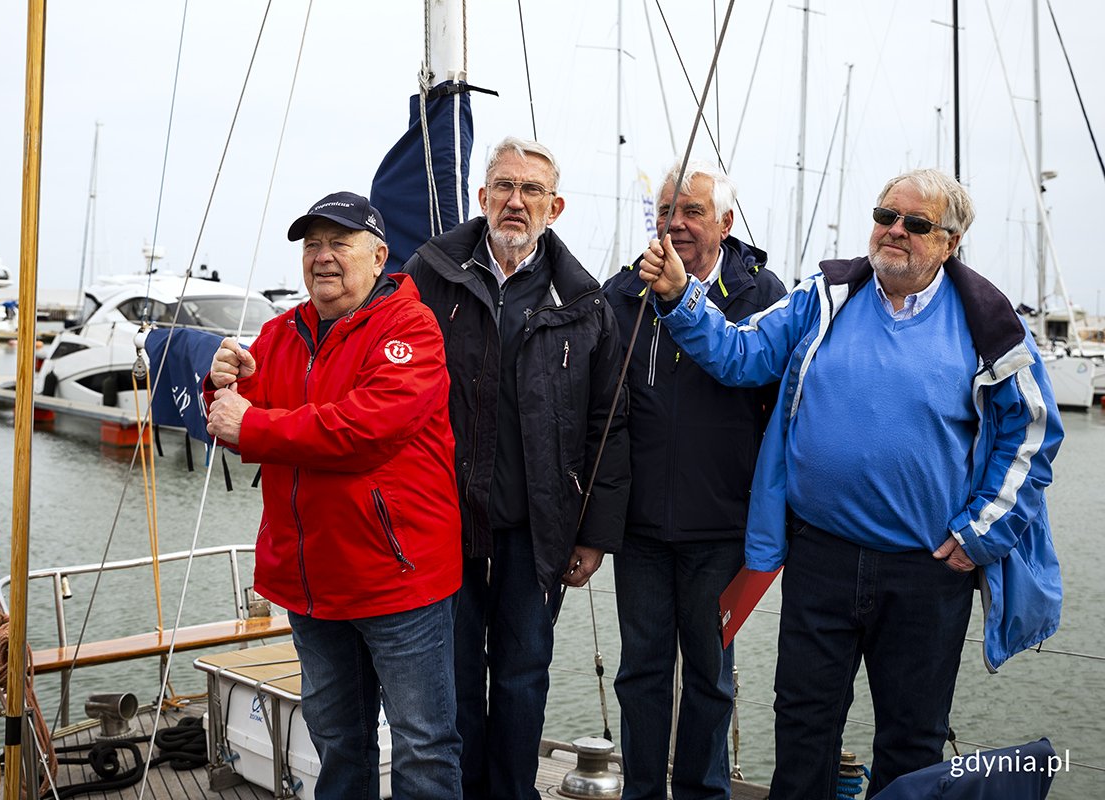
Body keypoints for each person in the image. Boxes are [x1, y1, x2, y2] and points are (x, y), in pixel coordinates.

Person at [637, 168, 1063, 798]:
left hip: (928, 572)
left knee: (912, 745)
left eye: (915, 224)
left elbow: (1031, 435)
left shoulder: (990, 324)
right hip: (821, 559)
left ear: (949, 242)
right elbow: (742, 354)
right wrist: (679, 297)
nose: (894, 231)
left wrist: (982, 535)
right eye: (885, 215)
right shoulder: (825, 295)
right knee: (802, 734)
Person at [204, 191, 464, 799]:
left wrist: (253, 424)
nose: (322, 257)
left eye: (338, 243)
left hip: (397, 580)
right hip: (313, 583)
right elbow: (230, 411)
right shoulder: (278, 333)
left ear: (378, 257)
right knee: (335, 739)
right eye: (312, 244)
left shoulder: (410, 327)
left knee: (424, 746)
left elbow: (366, 429)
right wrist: (216, 379)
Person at [402, 137, 630, 799]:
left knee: (524, 675)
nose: (515, 201)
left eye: (532, 191)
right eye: (503, 186)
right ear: (481, 197)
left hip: (539, 528)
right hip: (445, 521)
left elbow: (607, 425)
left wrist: (594, 534)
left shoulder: (583, 301)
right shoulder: (430, 274)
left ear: (553, 206)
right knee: (452, 674)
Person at [602, 161, 785, 799]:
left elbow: (784, 415)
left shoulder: (765, 298)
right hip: (641, 528)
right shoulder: (622, 294)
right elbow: (604, 412)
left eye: (692, 212)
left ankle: (704, 795)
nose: (675, 224)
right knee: (640, 674)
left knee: (711, 677)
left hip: (723, 528)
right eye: (665, 212)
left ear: (726, 223)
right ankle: (642, 793)